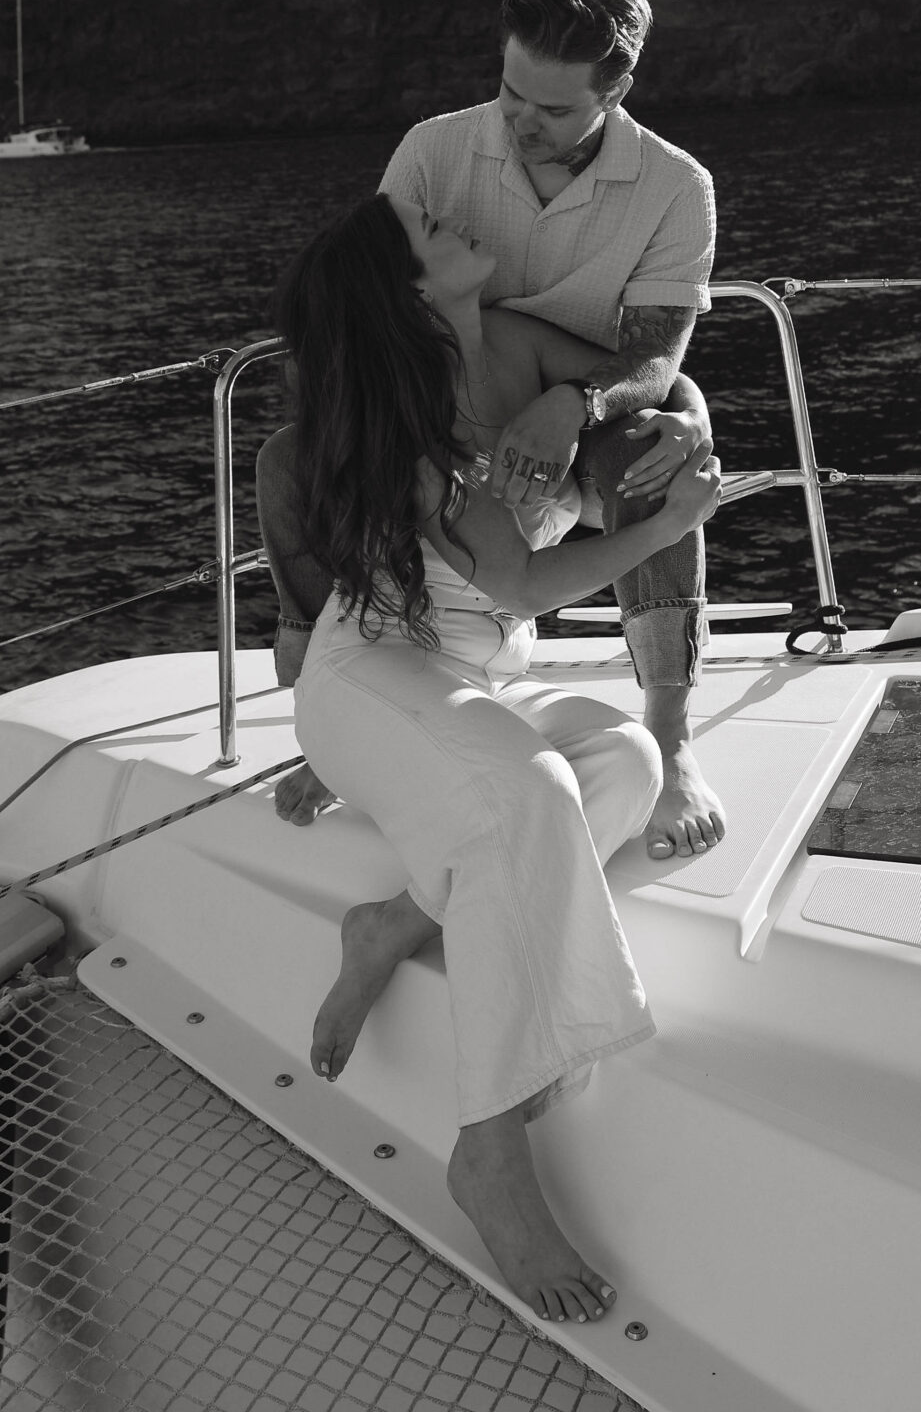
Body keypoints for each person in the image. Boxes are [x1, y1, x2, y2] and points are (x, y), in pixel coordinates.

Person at [274, 193, 722, 1324]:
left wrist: (651, 417)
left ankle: (396, 922)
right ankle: (489, 1151)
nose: (448, 214)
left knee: (618, 761)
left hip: (467, 679)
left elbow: (645, 371)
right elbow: (521, 586)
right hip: (368, 679)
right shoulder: (418, 433)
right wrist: (668, 529)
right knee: (526, 790)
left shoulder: (514, 353)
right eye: (427, 232)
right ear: (412, 294)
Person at [268, 0, 723, 859]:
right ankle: (337, 725)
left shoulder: (677, 187)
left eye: (553, 108)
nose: (521, 122)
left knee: (652, 454)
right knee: (288, 456)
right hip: (432, 424)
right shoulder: (434, 151)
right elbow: (374, 290)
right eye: (511, 92)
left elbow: (654, 357)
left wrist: (578, 404)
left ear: (616, 87)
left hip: (581, 432)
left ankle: (668, 736)